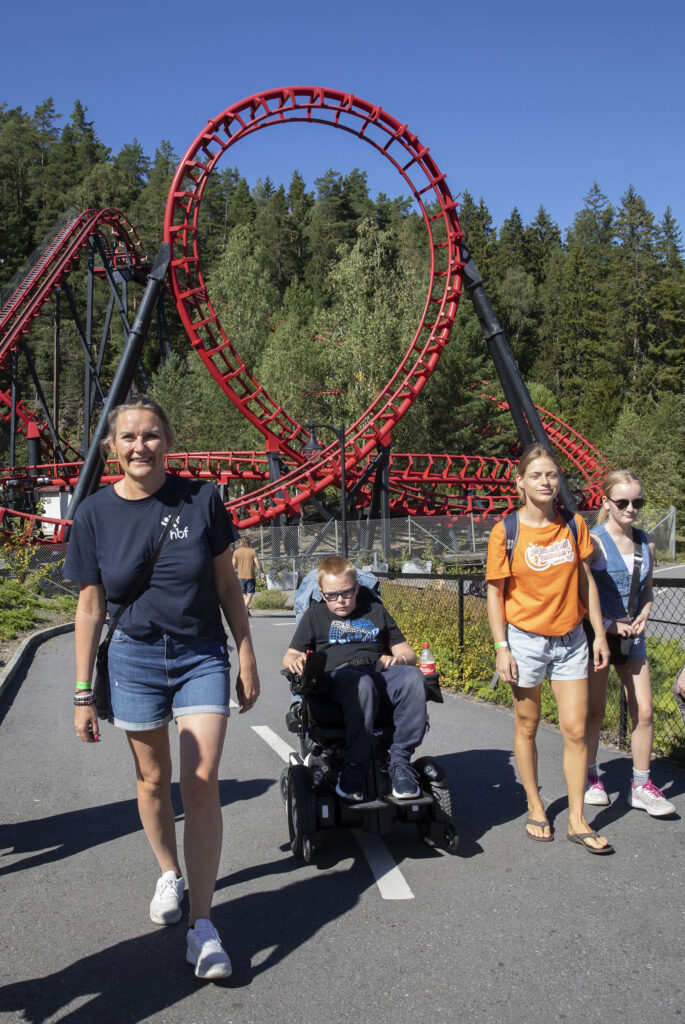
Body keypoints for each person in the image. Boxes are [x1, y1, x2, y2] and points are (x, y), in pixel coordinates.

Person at [64, 398, 260, 981]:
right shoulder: (95, 513)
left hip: (201, 652)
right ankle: (168, 871)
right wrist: (80, 692)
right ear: (112, 448)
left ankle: (203, 925)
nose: (140, 446)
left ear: (167, 442)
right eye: (128, 437)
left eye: (151, 435)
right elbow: (90, 606)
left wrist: (245, 649)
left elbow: (227, 584)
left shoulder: (201, 500)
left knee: (199, 779)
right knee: (153, 779)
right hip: (133, 657)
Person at [486, 443, 613, 853]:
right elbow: (495, 593)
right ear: (520, 482)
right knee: (528, 723)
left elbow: (586, 580)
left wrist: (598, 633)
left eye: (552, 475)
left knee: (576, 729)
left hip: (572, 638)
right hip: (524, 639)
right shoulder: (506, 531)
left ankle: (577, 818)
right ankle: (536, 805)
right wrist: (502, 647)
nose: (546, 481)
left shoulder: (574, 525)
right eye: (537, 475)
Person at [282, 555, 427, 800]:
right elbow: (289, 656)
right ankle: (353, 766)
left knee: (413, 677)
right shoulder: (315, 616)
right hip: (337, 677)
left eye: (347, 593)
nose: (340, 600)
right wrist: (296, 662)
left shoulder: (375, 611)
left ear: (357, 588)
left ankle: (400, 763)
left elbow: (407, 652)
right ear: (321, 593)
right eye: (331, 595)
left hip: (378, 670)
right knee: (362, 685)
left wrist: (399, 660)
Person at [584, 470, 675, 816]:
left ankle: (640, 784)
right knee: (595, 710)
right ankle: (592, 776)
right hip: (600, 637)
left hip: (634, 637)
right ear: (606, 502)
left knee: (645, 710)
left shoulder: (645, 542)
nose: (631, 509)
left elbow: (647, 588)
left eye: (638, 502)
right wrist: (607, 624)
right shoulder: (592, 542)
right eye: (622, 502)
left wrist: (646, 611)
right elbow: (582, 593)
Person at [232, 536, 265, 614]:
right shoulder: (252, 551)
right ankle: (244, 609)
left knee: (244, 593)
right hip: (250, 576)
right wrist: (261, 571)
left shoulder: (236, 552)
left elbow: (233, 565)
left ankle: (246, 610)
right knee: (250, 593)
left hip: (241, 576)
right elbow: (257, 563)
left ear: (241, 542)